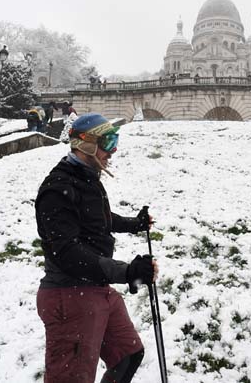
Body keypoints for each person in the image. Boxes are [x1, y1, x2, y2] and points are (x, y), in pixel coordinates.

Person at [35, 113, 157, 383]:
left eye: (115, 141)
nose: (112, 151)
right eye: (107, 142)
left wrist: (134, 223)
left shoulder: (85, 178)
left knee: (128, 354)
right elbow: (67, 253)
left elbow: (96, 217)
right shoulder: (58, 188)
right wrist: (126, 272)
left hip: (95, 288)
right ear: (85, 144)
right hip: (69, 295)